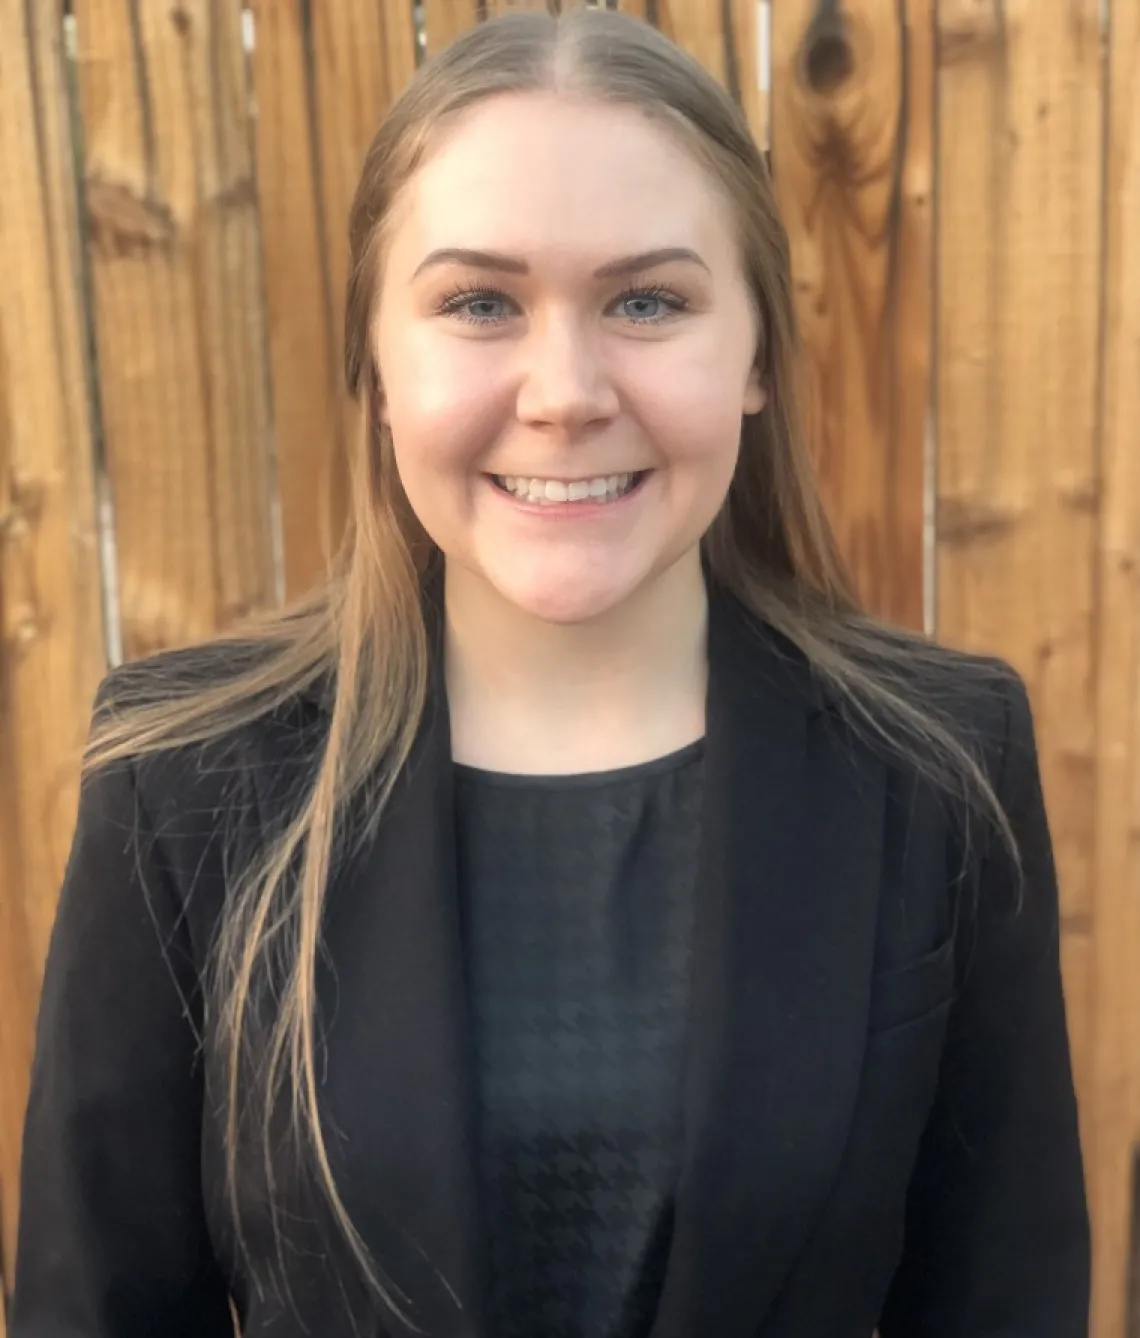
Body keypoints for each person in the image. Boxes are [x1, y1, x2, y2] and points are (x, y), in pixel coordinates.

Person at [11, 8, 1089, 1338]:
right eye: (478, 303)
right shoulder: (185, 791)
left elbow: (1006, 1300)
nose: (565, 389)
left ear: (754, 353)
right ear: (379, 366)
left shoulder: (938, 765)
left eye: (648, 299)